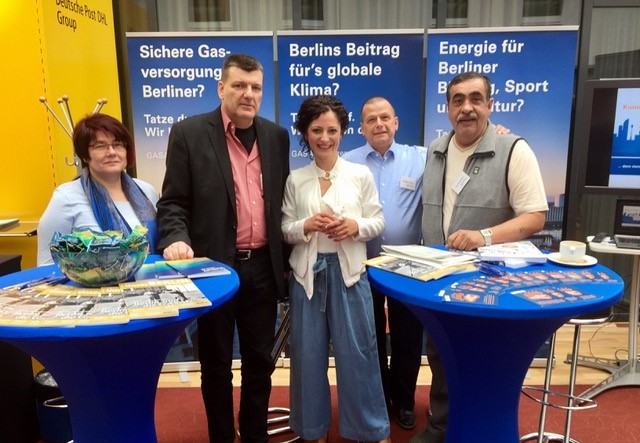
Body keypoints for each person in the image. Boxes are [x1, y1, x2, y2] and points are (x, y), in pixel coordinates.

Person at [156, 53, 290, 443]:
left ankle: (254, 433)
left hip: (263, 267)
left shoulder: (275, 136)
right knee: (215, 363)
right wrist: (175, 237)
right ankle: (221, 436)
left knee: (260, 362)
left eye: (255, 87)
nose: (248, 94)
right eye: (239, 85)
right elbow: (173, 202)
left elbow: (280, 202)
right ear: (221, 88)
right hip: (214, 270)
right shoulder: (189, 133)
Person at [415, 71, 548, 443]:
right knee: (441, 353)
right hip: (440, 277)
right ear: (447, 108)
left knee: (485, 358)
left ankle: (482, 430)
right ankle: (441, 426)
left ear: (490, 105)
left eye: (476, 99)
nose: (467, 107)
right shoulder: (436, 150)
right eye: (458, 100)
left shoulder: (513, 149)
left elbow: (535, 215)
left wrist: (483, 237)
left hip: (491, 282)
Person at [281, 94, 391, 443]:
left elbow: (378, 221)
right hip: (307, 277)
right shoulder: (296, 179)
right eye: (317, 130)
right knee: (307, 357)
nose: (325, 137)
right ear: (305, 133)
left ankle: (369, 429)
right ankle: (312, 430)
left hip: (351, 276)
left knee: (359, 355)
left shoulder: (359, 174)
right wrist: (306, 225)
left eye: (332, 130)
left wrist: (354, 227)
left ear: (343, 132)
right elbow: (285, 229)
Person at [342, 96, 426, 431]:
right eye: (371, 119)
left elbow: (460, 150)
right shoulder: (347, 162)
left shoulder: (420, 158)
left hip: (408, 267)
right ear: (361, 127)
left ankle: (404, 401)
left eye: (385, 118)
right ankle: (377, 399)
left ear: (396, 122)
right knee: (370, 338)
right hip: (363, 264)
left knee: (408, 337)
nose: (379, 124)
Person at [37, 113, 158, 266]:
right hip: (91, 282)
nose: (112, 152)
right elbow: (47, 264)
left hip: (153, 278)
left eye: (118, 145)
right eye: (100, 146)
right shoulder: (66, 197)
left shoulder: (146, 190)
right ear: (84, 155)